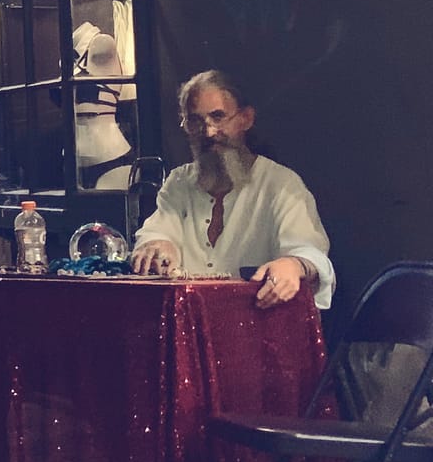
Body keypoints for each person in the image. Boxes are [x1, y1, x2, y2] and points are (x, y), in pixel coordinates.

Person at [131, 70, 332, 309]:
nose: (209, 132)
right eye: (195, 121)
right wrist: (159, 246)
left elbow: (311, 253)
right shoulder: (179, 182)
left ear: (246, 118)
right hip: (188, 327)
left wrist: (294, 265)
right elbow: (158, 233)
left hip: (256, 331)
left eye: (218, 117)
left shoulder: (280, 184)